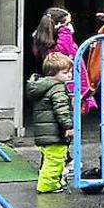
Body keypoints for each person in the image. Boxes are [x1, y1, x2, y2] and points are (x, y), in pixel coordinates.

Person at [32, 7, 95, 114]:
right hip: (67, 88)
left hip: (70, 86)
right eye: (67, 23)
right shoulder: (58, 42)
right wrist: (65, 31)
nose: (70, 26)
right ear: (58, 25)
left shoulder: (46, 40)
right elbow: (64, 50)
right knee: (66, 118)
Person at [27, 53, 75, 193]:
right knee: (55, 160)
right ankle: (47, 186)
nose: (69, 75)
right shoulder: (57, 88)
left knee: (51, 159)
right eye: (65, 72)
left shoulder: (43, 86)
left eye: (70, 72)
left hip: (45, 132)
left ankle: (55, 182)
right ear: (53, 73)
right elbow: (61, 110)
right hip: (54, 132)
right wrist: (68, 126)